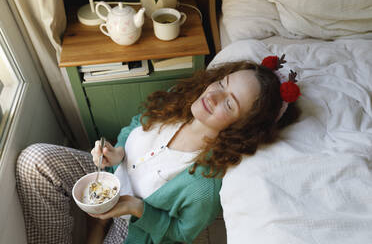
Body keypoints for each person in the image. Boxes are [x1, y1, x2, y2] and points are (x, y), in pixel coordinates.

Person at [15, 56, 301, 244]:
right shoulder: (180, 102)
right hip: (111, 177)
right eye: (222, 82)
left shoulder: (204, 185)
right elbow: (135, 126)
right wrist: (117, 153)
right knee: (35, 161)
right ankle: (91, 228)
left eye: (229, 103)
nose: (212, 96)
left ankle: (99, 228)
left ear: (241, 128)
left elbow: (181, 233)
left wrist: (137, 209)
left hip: (134, 224)